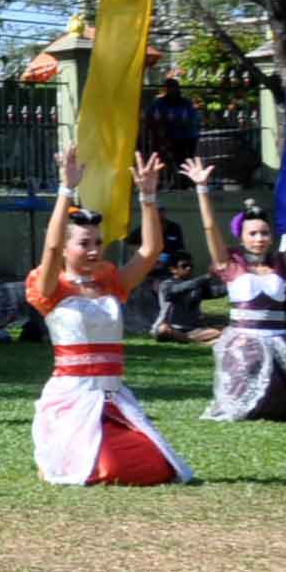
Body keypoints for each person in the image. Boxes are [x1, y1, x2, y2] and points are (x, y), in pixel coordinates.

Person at [27, 147, 193, 485]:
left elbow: (150, 251)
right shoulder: (49, 286)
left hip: (113, 397)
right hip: (72, 396)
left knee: (156, 468)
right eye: (84, 243)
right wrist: (65, 189)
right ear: (67, 248)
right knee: (105, 469)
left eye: (98, 243)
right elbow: (51, 248)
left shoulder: (110, 281)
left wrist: (147, 196)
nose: (93, 250)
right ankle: (58, 455)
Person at [182, 157, 286, 422]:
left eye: (264, 233)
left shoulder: (280, 261)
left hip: (278, 342)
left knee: (283, 410)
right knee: (241, 408)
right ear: (241, 237)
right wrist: (201, 189)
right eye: (253, 233)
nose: (259, 239)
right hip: (244, 343)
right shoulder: (229, 263)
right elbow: (209, 227)